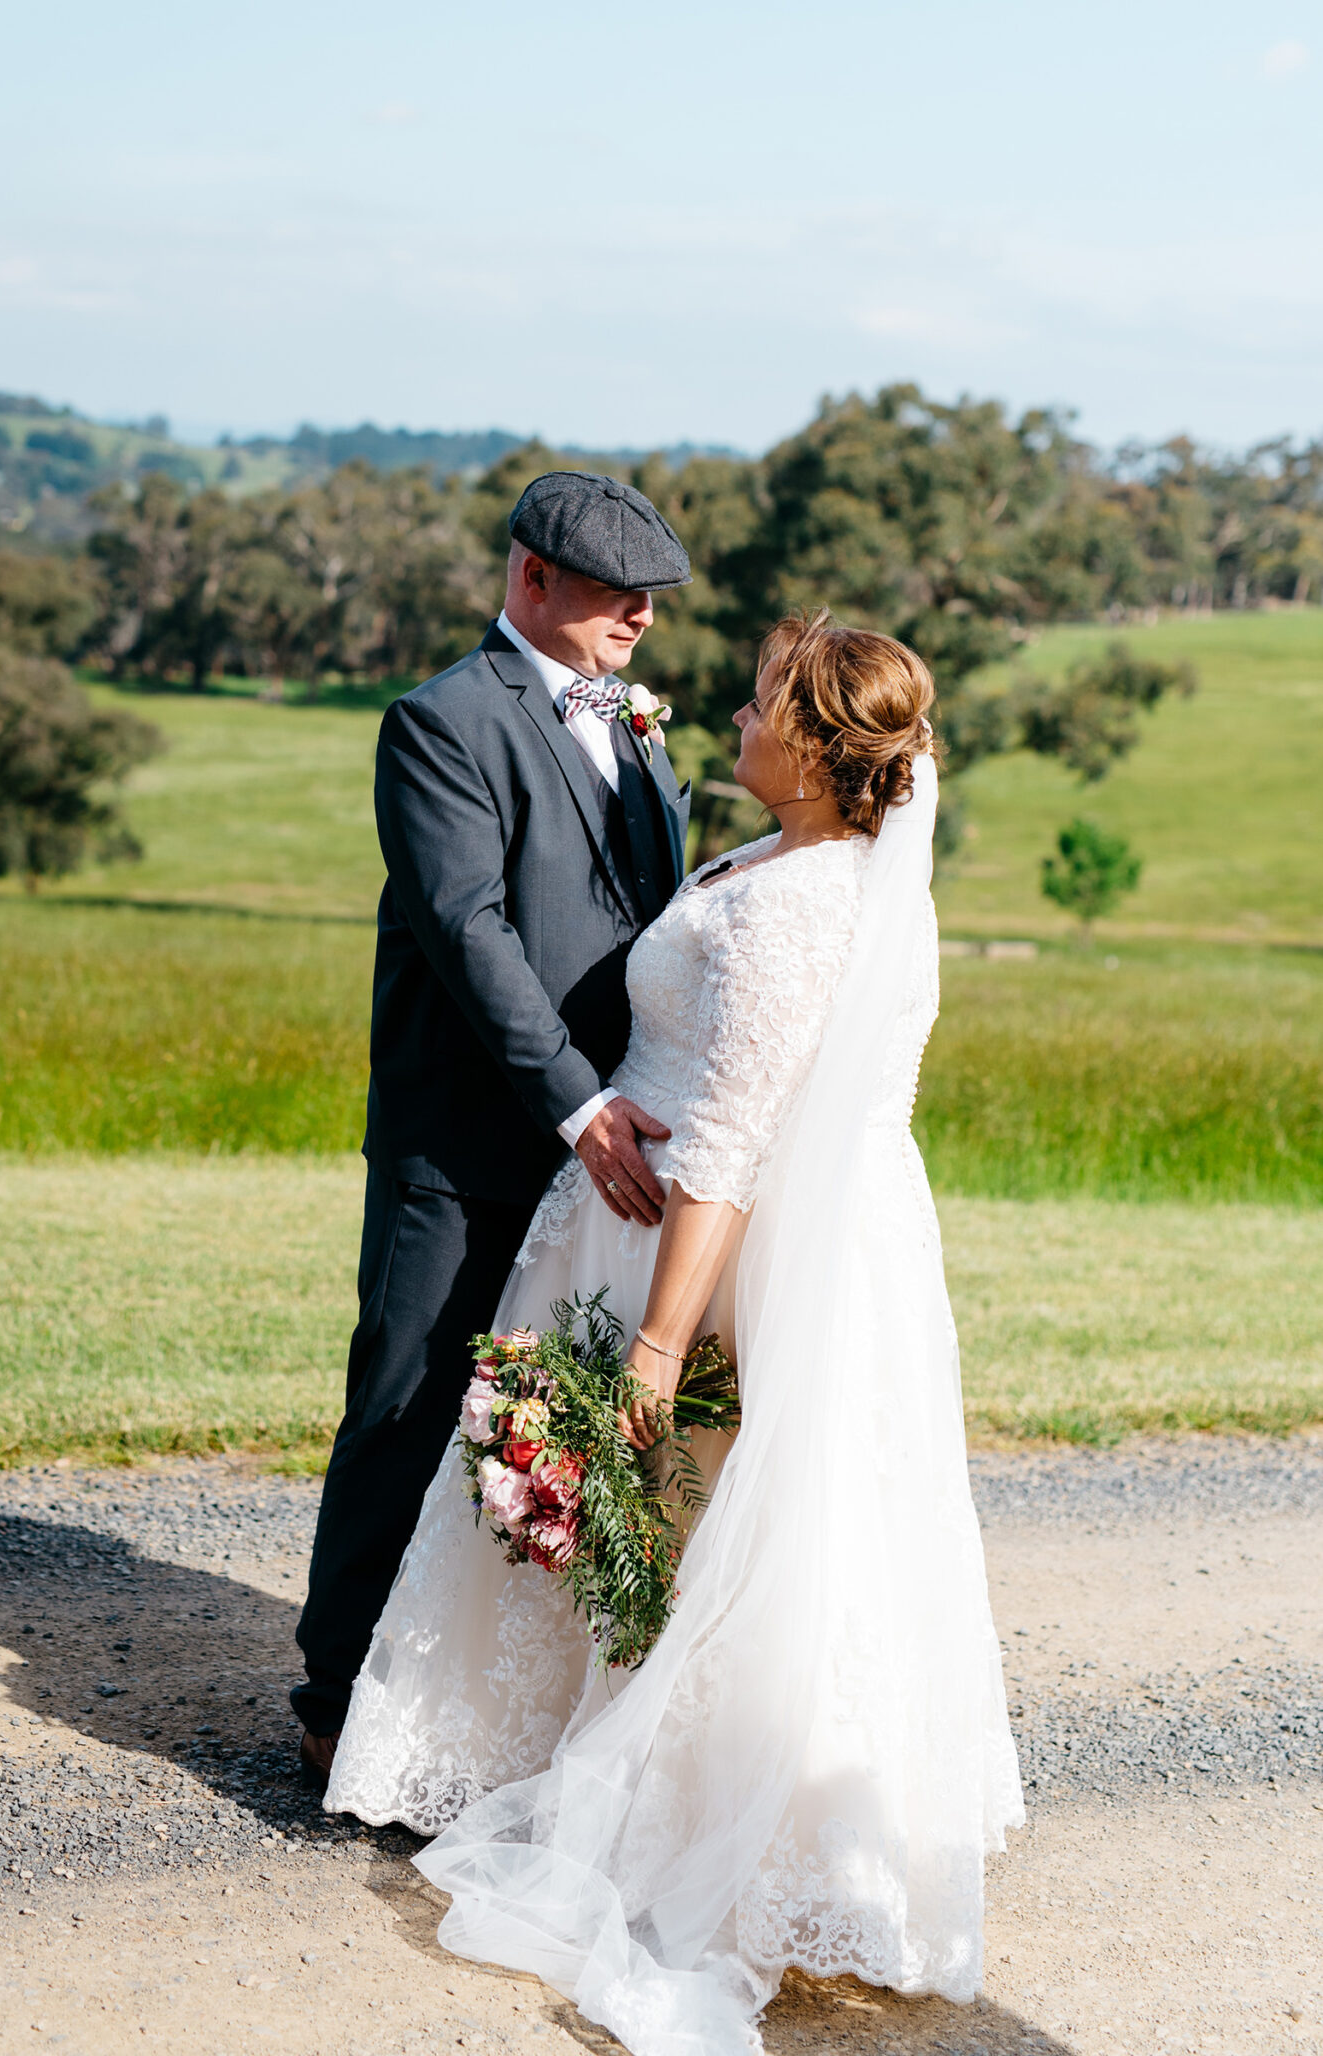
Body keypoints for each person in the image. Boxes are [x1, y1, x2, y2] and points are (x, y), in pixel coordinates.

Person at [326, 613, 1024, 2056]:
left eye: (769, 700)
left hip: (704, 1251)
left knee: (683, 1515)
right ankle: (536, 1750)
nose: (739, 713)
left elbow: (733, 1138)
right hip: (626, 1218)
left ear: (821, 752)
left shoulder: (801, 904)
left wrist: (658, 1340)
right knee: (645, 1527)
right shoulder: (769, 864)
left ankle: (709, 1814)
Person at [290, 470, 694, 1782]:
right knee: (409, 1399)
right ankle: (335, 1692)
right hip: (466, 1141)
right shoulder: (439, 723)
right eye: (613, 590)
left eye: (648, 595)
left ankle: (486, 1709)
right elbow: (470, 932)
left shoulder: (633, 722)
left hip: (612, 1146)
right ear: (531, 579)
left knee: (551, 1409)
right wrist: (576, 1104)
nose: (639, 614)